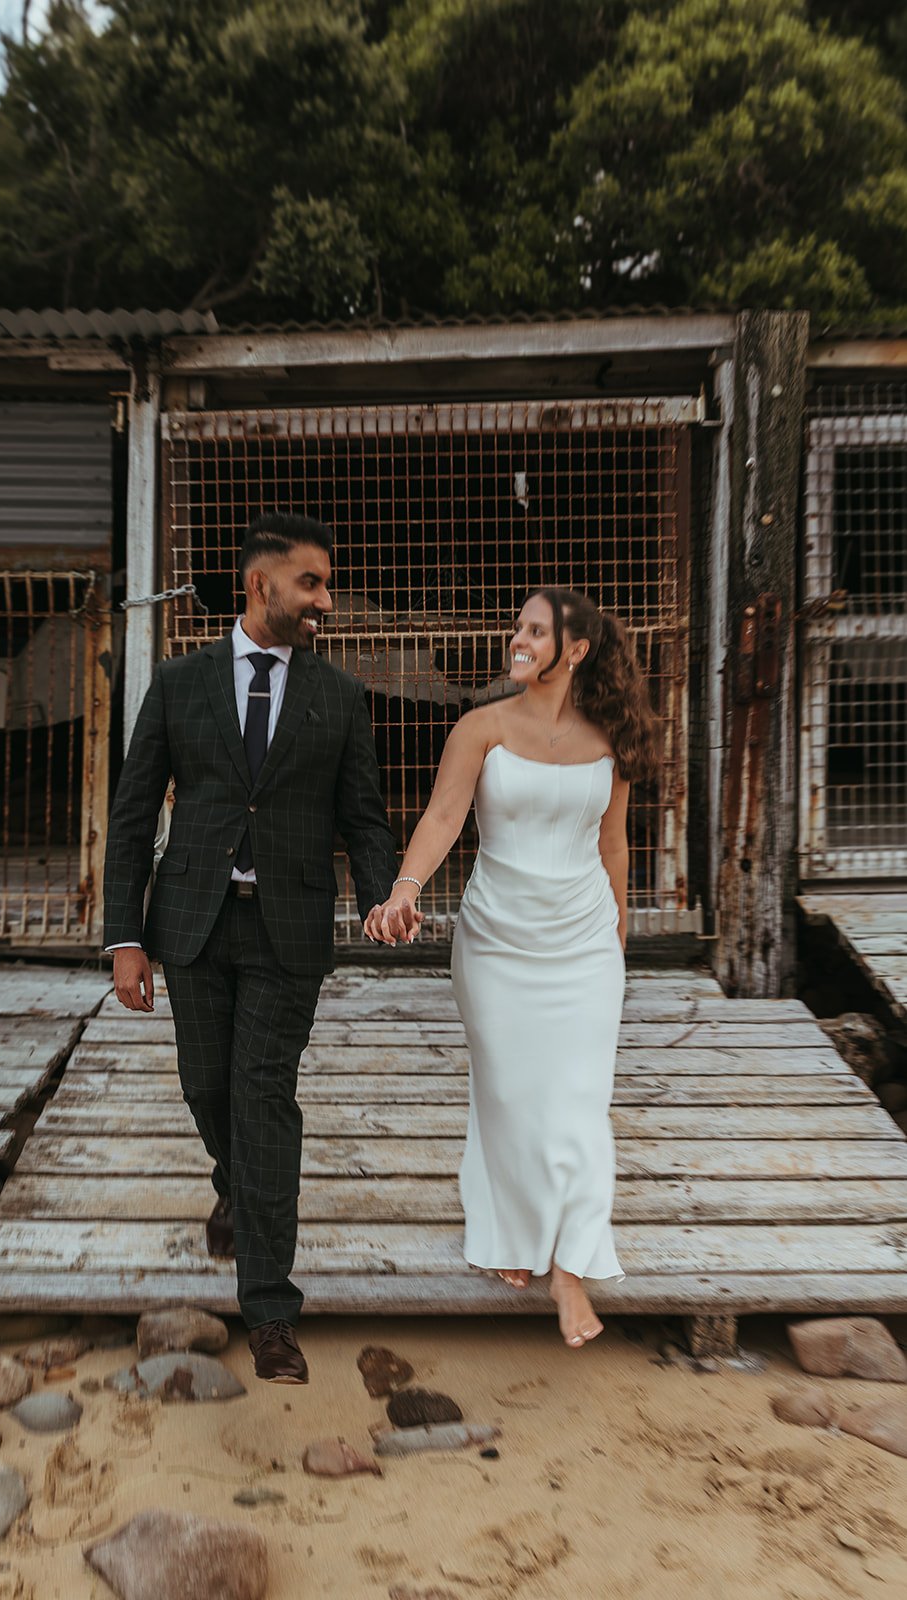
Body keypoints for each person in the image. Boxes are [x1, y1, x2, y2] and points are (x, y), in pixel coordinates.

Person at [103, 512, 398, 1384]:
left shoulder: (338, 696)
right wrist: (125, 937)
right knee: (205, 1084)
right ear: (257, 584)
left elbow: (363, 819)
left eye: (327, 584)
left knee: (262, 1097)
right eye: (310, 582)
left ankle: (270, 1310)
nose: (326, 601)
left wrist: (386, 895)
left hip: (288, 928)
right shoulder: (178, 683)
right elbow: (129, 819)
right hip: (190, 922)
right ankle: (237, 1184)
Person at [364, 587, 658, 1348]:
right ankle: (516, 1231)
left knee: (577, 1096)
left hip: (585, 941)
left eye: (536, 630)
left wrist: (618, 937)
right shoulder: (479, 728)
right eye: (518, 627)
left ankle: (568, 1264)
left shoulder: (611, 736)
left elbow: (614, 845)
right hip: (495, 939)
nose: (517, 638)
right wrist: (404, 890)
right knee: (509, 1092)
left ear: (576, 650)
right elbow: (441, 816)